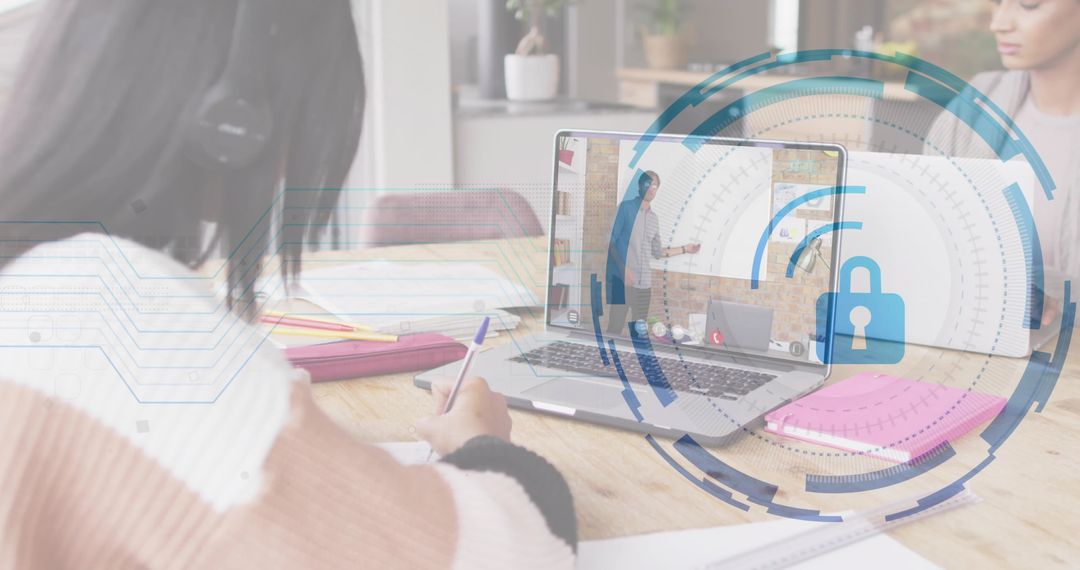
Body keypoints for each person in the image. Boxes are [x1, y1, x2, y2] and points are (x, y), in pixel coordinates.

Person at [0, 1, 576, 568]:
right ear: (235, 123)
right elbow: (514, 549)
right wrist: (485, 446)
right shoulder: (122, 325)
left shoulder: (40, 282)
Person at [928, 0, 1080, 326]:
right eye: (998, 3)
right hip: (974, 350)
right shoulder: (977, 102)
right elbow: (924, 238)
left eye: (1028, 5)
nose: (999, 22)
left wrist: (1062, 298)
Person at [605, 170, 701, 336]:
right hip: (622, 282)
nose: (651, 188)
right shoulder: (625, 208)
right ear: (640, 185)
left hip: (644, 286)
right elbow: (609, 241)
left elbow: (658, 252)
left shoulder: (654, 219)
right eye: (648, 183)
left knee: (639, 333)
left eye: (655, 185)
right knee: (614, 329)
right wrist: (623, 269)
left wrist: (686, 249)